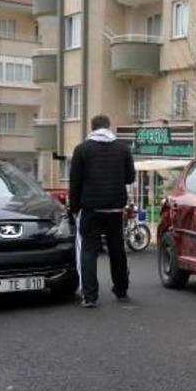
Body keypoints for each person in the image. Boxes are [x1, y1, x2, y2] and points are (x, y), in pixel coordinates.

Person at [69, 115, 136, 308]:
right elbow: (130, 177)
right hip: (115, 208)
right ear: (108, 127)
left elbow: (75, 183)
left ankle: (90, 296)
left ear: (92, 128)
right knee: (117, 249)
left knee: (89, 250)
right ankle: (121, 290)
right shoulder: (123, 149)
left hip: (91, 209)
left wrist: (74, 209)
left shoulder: (82, 150)